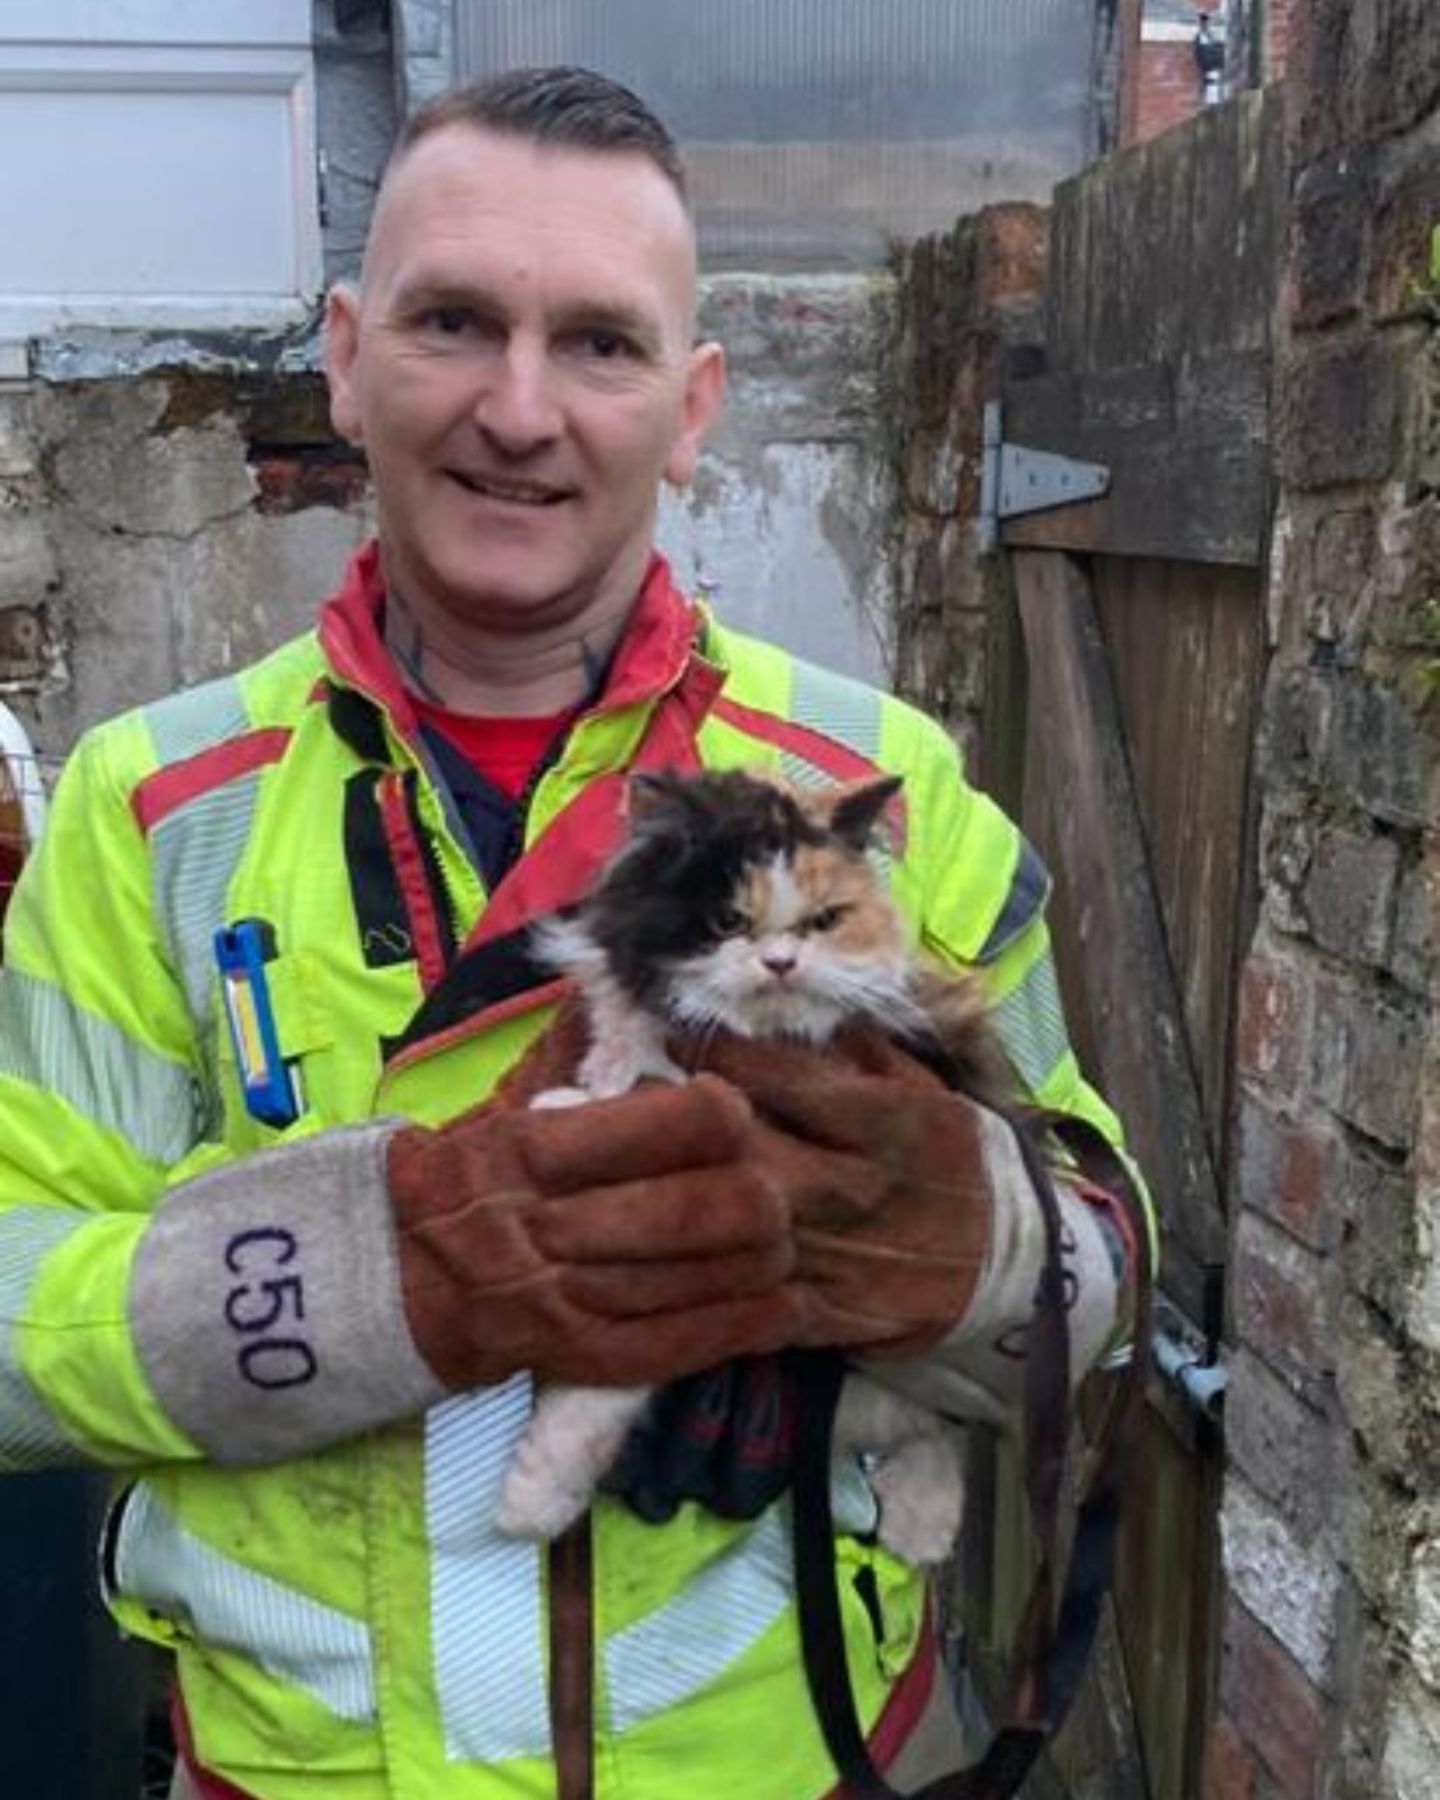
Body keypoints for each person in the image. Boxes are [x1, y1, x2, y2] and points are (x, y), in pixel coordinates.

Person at [0, 68, 1150, 1800]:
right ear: (343, 354)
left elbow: (1108, 1276)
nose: (519, 411)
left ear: (691, 410)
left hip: (807, 1765)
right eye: (454, 321)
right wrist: (386, 1268)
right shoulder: (146, 808)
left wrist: (967, 1242)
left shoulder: (881, 789)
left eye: (601, 345)